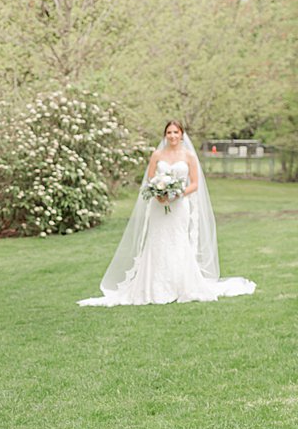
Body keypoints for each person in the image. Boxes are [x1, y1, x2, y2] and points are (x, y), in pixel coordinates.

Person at [79, 120, 255, 306]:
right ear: (165, 135)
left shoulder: (188, 156)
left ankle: (181, 286)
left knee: (178, 240)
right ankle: (153, 286)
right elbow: (150, 179)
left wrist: (177, 194)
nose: (172, 136)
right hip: (158, 206)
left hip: (179, 207)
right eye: (169, 132)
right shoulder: (157, 154)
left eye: (176, 132)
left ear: (181, 134)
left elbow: (195, 184)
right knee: (157, 241)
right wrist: (158, 194)